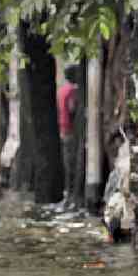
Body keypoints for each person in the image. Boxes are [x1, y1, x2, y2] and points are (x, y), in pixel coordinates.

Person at [57, 65, 79, 202]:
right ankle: (70, 192)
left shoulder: (61, 90)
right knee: (71, 163)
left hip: (63, 129)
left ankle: (68, 190)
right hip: (70, 130)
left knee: (67, 162)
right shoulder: (72, 91)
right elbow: (71, 108)